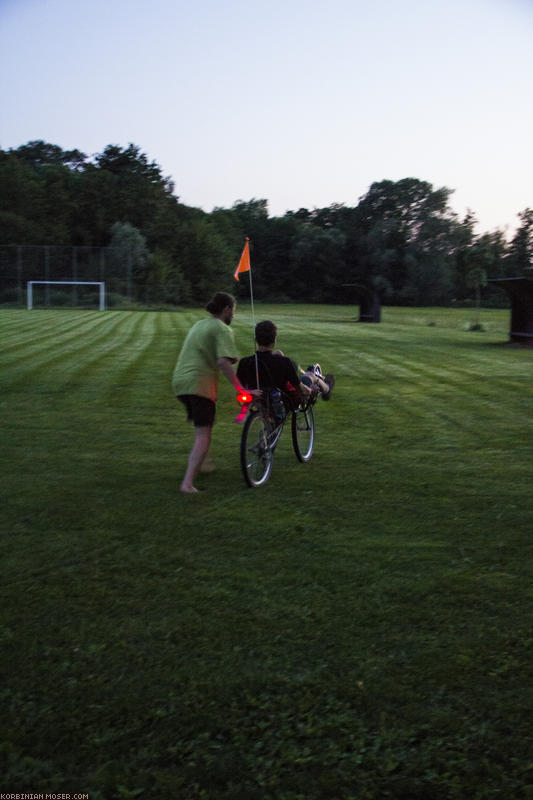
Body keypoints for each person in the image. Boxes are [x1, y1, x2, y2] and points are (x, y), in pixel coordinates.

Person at [172, 291, 257, 494]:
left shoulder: (200, 324)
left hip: (180, 383)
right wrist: (241, 389)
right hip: (199, 385)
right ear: (226, 309)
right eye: (233, 311)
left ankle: (203, 463)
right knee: (204, 435)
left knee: (203, 429)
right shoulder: (222, 329)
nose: (234, 316)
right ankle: (187, 484)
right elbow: (222, 362)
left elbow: (216, 354)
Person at [237, 320, 335, 409]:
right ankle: (326, 388)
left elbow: (239, 387)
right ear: (274, 340)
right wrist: (310, 391)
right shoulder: (284, 362)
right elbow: (300, 390)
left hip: (259, 399)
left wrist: (250, 392)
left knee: (279, 353)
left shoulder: (245, 362)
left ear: (256, 340)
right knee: (310, 375)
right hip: (284, 401)